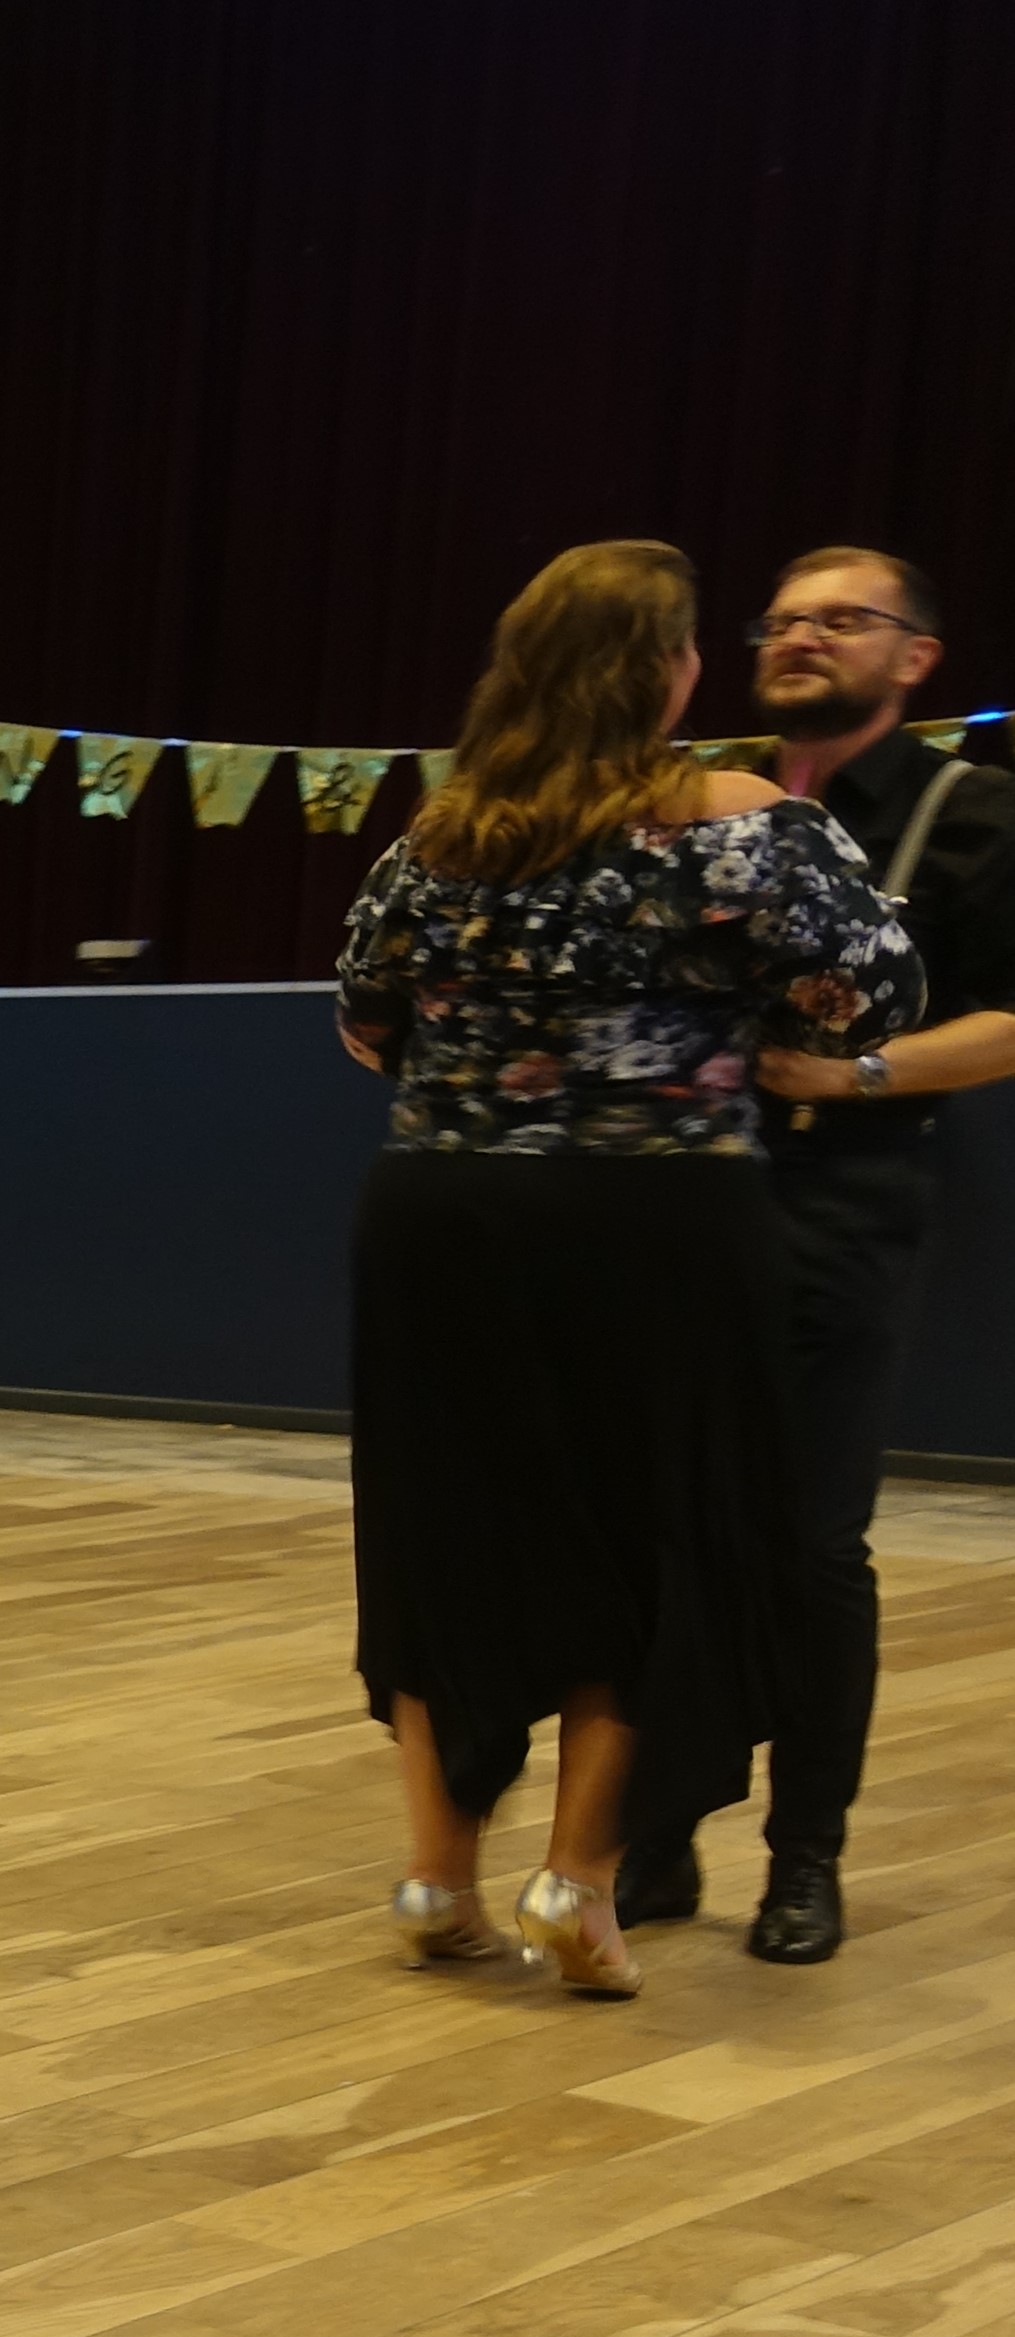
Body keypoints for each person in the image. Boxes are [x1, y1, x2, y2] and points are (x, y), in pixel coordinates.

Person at [336, 539, 915, 2002]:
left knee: (447, 1528)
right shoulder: (747, 825)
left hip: (441, 1211)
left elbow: (363, 1022)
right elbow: (868, 998)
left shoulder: (439, 834)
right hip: (656, 1216)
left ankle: (433, 1875)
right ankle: (575, 1883)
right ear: (661, 669)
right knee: (657, 1528)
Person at [613, 548, 1015, 1962]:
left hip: (840, 1199)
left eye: (840, 620)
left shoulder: (973, 814)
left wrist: (854, 1074)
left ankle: (803, 1859)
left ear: (914, 656)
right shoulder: (701, 806)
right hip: (673, 1204)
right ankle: (651, 1840)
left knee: (809, 1542)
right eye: (781, 621)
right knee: (659, 1526)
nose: (799, 639)